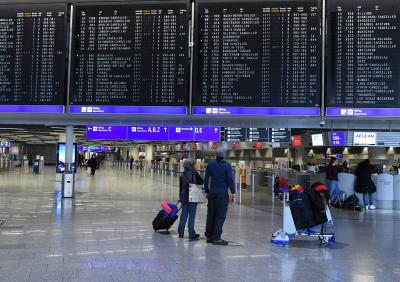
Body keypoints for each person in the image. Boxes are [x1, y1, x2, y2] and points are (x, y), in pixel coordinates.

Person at [204, 148, 236, 245]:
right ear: (224, 155)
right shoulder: (227, 166)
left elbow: (206, 179)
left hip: (212, 193)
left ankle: (209, 236)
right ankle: (217, 238)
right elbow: (230, 179)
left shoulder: (210, 164)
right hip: (222, 194)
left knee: (211, 214)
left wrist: (206, 191)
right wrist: (233, 192)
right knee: (220, 215)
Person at [178, 159, 204, 240]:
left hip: (184, 196)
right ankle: (191, 232)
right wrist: (196, 172)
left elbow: (181, 187)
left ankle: (181, 232)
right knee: (192, 216)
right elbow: (201, 182)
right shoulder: (194, 173)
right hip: (193, 196)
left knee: (184, 214)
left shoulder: (182, 175)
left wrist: (180, 197)